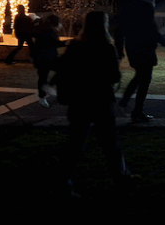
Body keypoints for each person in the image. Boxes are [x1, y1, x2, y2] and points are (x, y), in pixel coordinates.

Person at [51, 11, 131, 198]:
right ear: (103, 25)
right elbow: (114, 76)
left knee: (75, 144)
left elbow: (61, 67)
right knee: (110, 143)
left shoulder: (75, 46)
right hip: (101, 100)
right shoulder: (106, 47)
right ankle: (120, 177)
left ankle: (63, 182)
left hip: (79, 100)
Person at [115, 0, 165, 123]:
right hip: (145, 48)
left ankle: (125, 102)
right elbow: (151, 30)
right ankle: (137, 111)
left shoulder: (127, 6)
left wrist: (119, 49)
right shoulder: (146, 7)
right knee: (145, 79)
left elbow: (119, 30)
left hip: (132, 47)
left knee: (139, 75)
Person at [31, 15, 65, 107]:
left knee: (43, 77)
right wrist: (66, 43)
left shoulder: (40, 29)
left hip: (41, 58)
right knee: (61, 71)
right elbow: (54, 43)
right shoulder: (51, 32)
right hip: (49, 57)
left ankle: (43, 97)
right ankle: (54, 92)